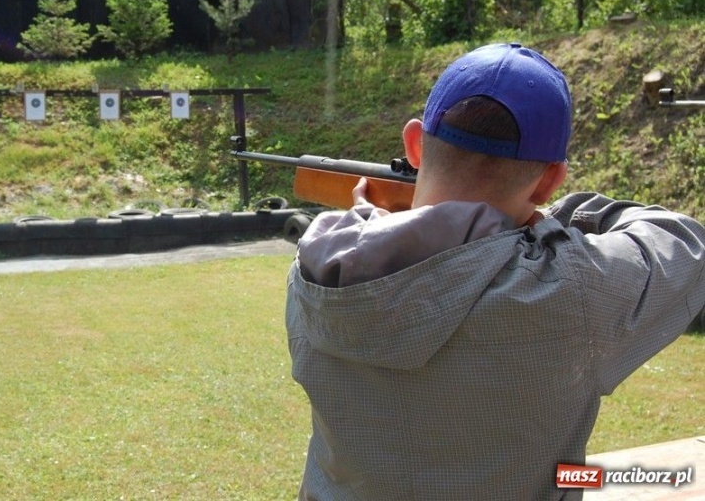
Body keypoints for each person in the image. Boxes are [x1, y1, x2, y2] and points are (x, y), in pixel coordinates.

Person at [286, 42, 705, 500]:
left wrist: (393, 223)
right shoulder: (573, 289)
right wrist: (560, 218)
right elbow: (684, 240)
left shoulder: (313, 275)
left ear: (414, 144)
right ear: (549, 179)